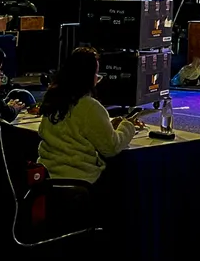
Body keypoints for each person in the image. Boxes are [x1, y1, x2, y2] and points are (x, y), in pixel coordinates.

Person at [37, 47, 141, 188]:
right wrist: (128, 126)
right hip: (79, 180)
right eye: (96, 73)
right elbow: (111, 147)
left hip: (47, 177)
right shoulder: (89, 106)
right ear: (87, 76)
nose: (97, 78)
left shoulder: (52, 99)